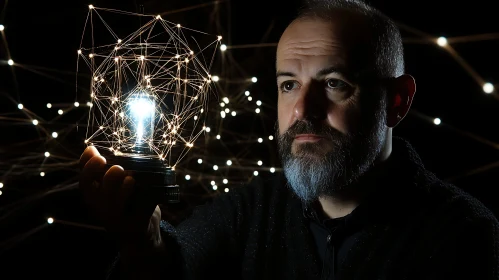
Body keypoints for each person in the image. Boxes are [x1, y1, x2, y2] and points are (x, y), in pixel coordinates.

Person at [79, 0, 499, 279]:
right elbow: (177, 267)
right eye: (288, 85)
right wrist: (143, 242)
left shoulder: (461, 234)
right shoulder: (251, 209)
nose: (303, 110)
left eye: (333, 83)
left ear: (397, 101)